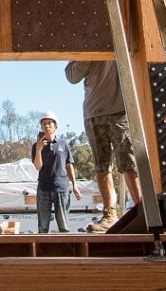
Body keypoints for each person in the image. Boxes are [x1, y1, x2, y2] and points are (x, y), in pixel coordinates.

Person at [65, 59, 141, 232]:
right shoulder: (82, 42)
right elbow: (71, 76)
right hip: (94, 112)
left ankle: (141, 211)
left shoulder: (122, 34)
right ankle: (110, 215)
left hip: (121, 111)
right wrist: (89, 54)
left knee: (129, 163)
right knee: (102, 166)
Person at [30, 111, 83, 233]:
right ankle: (42, 250)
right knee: (43, 226)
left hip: (62, 188)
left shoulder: (63, 144)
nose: (47, 126)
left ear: (55, 126)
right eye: (44, 124)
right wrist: (38, 150)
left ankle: (66, 249)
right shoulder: (36, 146)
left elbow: (69, 165)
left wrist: (75, 186)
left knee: (63, 225)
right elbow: (38, 167)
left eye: (49, 123)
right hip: (43, 188)